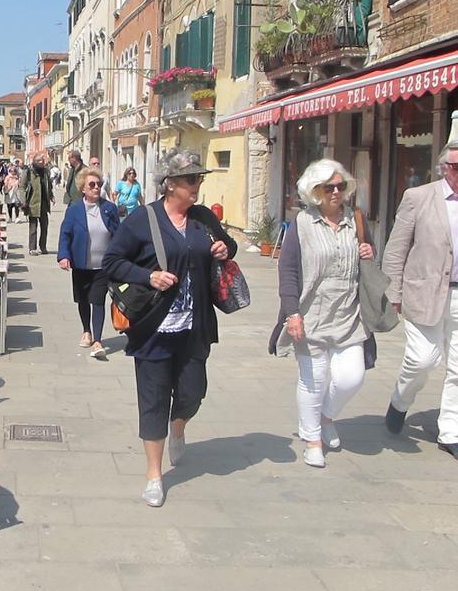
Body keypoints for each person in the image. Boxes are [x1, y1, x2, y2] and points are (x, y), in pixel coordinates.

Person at [102, 149, 236, 507]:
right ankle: (154, 474)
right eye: (191, 179)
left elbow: (229, 245)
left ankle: (178, 429)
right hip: (154, 328)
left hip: (196, 326)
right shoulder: (142, 220)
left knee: (193, 392)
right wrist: (148, 275)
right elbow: (112, 261)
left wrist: (224, 248)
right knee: (154, 399)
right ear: (171, 184)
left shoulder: (203, 218)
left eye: (199, 179)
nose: (197, 185)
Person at [269, 160, 374, 468]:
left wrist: (369, 250)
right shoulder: (302, 223)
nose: (336, 192)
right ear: (315, 191)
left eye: (341, 186)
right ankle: (312, 439)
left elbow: (366, 255)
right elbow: (287, 269)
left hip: (349, 313)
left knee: (351, 377)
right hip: (311, 313)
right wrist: (292, 313)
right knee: (313, 380)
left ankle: (327, 416)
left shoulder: (356, 219)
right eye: (329, 187)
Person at [382, 140, 458, 459]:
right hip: (422, 292)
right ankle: (400, 400)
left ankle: (450, 431)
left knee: (457, 367)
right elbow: (397, 248)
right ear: (444, 168)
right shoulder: (419, 197)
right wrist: (392, 292)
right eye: (456, 167)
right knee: (424, 358)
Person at [58, 166, 121, 359]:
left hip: (103, 266)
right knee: (83, 299)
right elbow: (65, 234)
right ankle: (87, 330)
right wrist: (63, 255)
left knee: (98, 301)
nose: (96, 188)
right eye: (92, 185)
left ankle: (98, 341)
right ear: (83, 189)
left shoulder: (109, 208)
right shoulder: (74, 210)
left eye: (99, 184)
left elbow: (118, 234)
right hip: (80, 263)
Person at [20, 153, 54, 256]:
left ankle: (43, 247)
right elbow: (22, 187)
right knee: (33, 227)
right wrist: (23, 201)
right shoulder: (28, 172)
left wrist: (51, 196)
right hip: (32, 204)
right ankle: (32, 248)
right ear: (34, 162)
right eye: (39, 161)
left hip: (44, 204)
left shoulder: (46, 172)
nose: (42, 162)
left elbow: (49, 186)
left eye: (43, 161)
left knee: (44, 226)